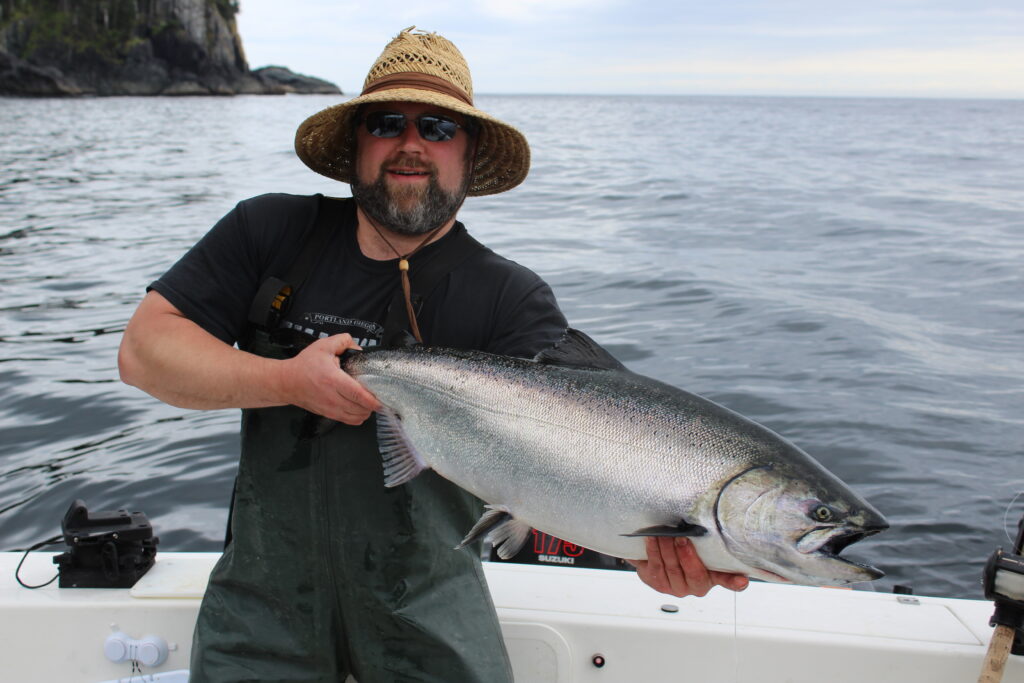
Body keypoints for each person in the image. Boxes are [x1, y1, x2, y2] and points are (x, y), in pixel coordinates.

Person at [118, 27, 747, 683]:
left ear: (469, 153)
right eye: (388, 122)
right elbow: (144, 351)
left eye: (439, 127)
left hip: (432, 629)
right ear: (357, 142)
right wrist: (286, 381)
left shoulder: (509, 298)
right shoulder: (271, 232)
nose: (411, 143)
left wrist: (646, 542)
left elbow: (586, 450)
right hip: (261, 623)